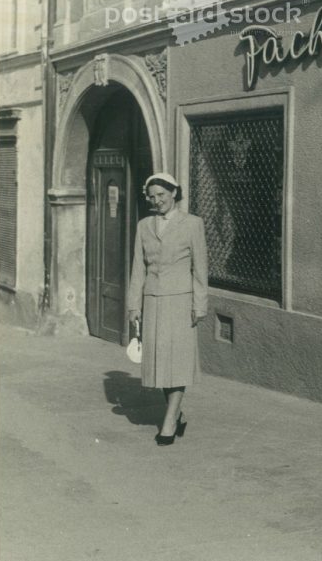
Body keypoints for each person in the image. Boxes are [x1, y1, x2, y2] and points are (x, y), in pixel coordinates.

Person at [127, 172, 208, 446]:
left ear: (174, 193)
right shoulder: (144, 225)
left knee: (178, 362)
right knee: (161, 362)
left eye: (162, 195)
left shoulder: (192, 224)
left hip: (181, 302)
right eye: (152, 197)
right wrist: (133, 305)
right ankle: (176, 413)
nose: (157, 200)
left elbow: (200, 269)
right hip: (153, 300)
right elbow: (138, 268)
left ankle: (170, 420)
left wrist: (200, 304)